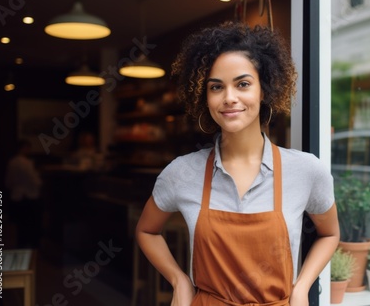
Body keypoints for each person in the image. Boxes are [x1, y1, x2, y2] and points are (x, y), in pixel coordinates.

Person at [135, 21, 340, 306]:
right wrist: (178, 280)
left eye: (243, 84)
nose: (229, 98)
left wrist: (301, 287)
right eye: (216, 87)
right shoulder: (182, 172)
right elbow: (147, 230)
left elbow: (329, 233)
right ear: (205, 97)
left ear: (264, 90)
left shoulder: (306, 170)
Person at [5, 139, 43, 248]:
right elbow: (35, 180)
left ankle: (22, 243)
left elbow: (8, 181)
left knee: (21, 224)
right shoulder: (27, 163)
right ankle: (33, 244)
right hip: (29, 196)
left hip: (17, 195)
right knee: (32, 223)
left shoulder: (12, 162)